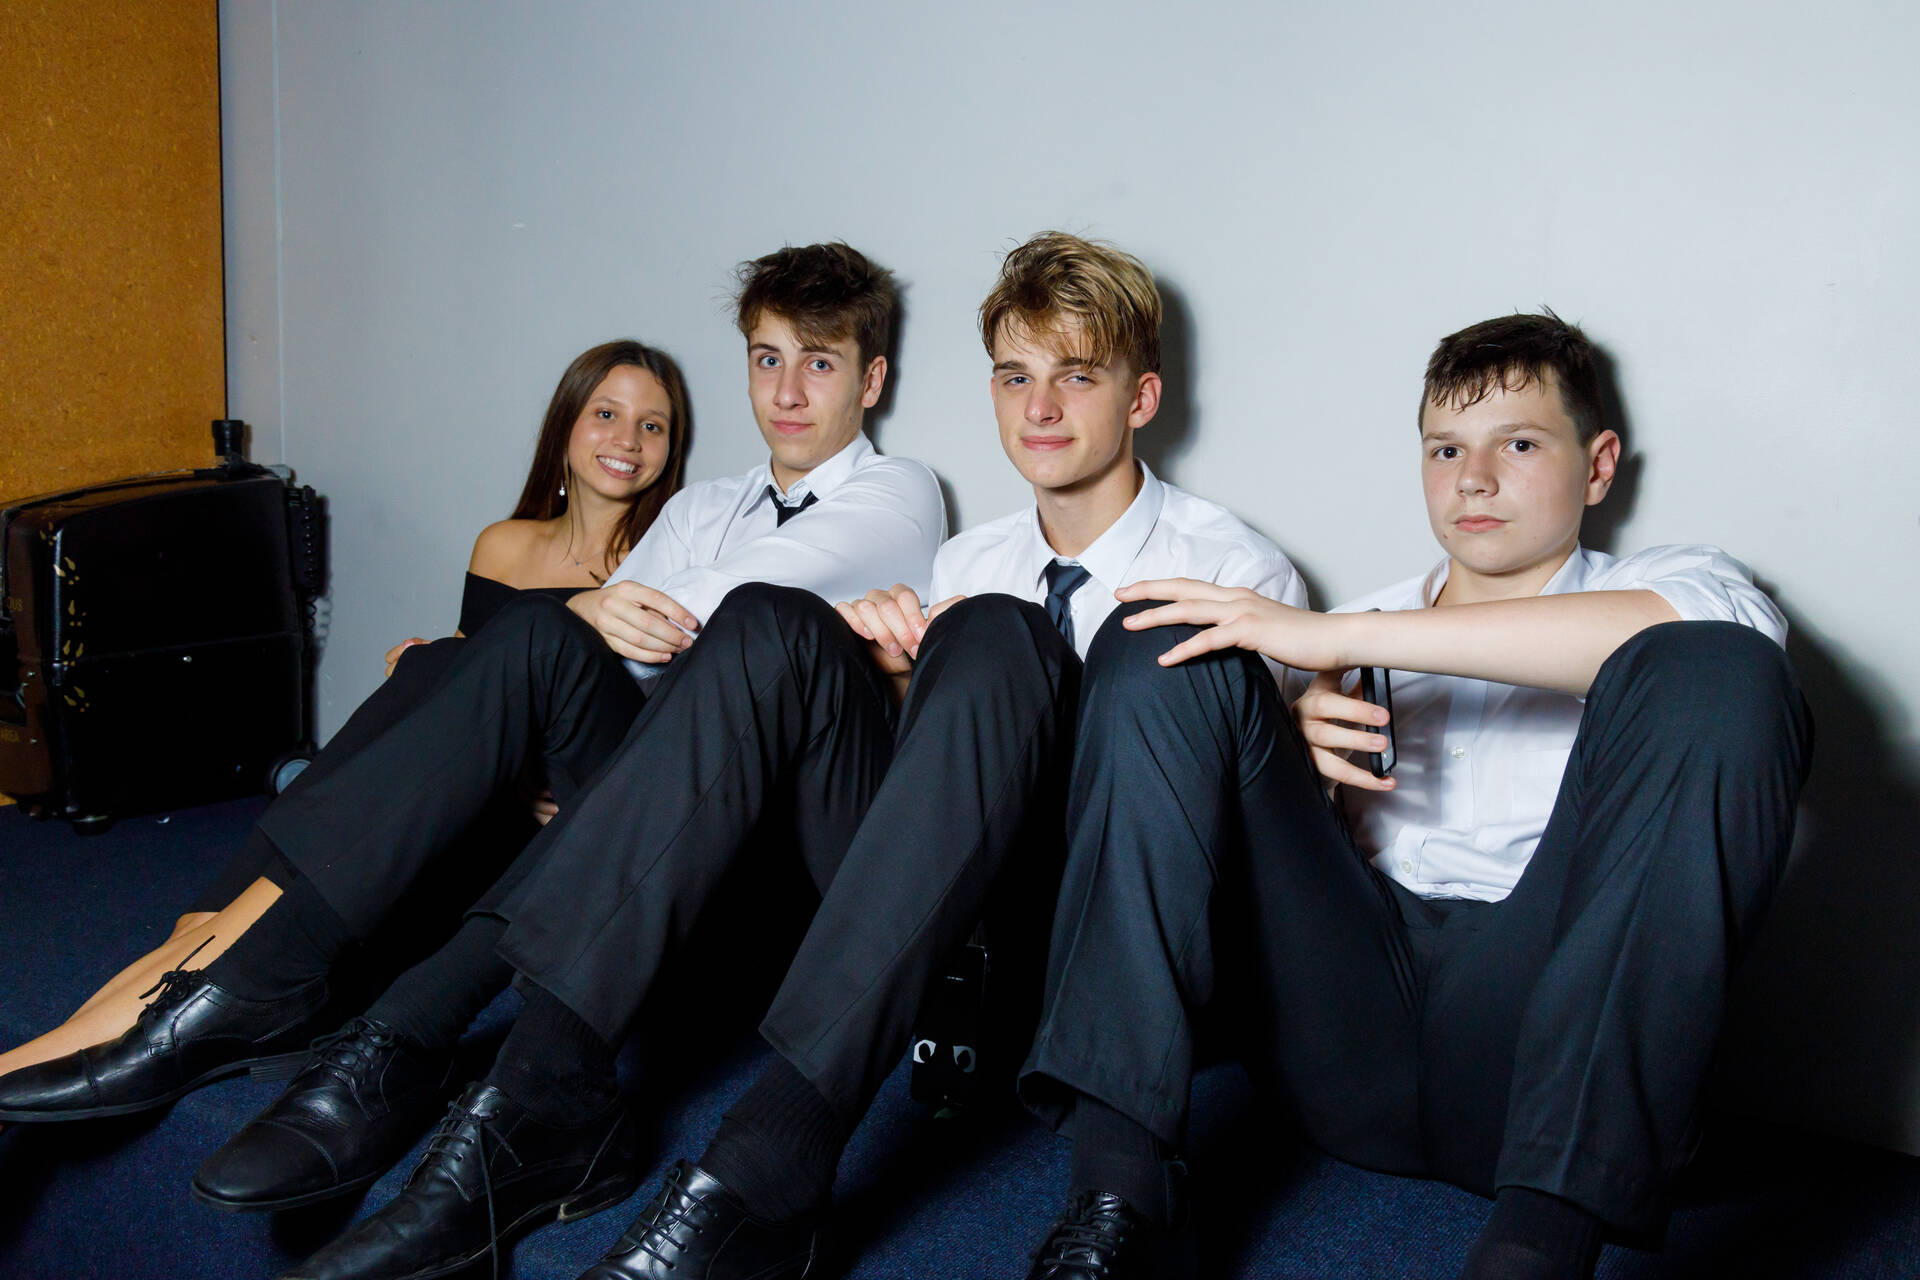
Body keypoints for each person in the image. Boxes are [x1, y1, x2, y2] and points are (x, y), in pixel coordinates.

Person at [283, 231, 1305, 1280]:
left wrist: (1291, 708)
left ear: (1141, 398)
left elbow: (1207, 811)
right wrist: (888, 669)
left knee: (996, 632)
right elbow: (939, 784)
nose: (1039, 408)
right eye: (1015, 377)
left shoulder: (1237, 569)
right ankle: (533, 1082)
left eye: (1076, 377)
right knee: (779, 623)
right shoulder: (967, 559)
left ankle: (762, 1152)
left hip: (1092, 947)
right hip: (945, 924)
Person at [0, 239, 946, 1244]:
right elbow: (607, 651)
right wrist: (549, 641)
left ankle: (307, 986)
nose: (787, 391)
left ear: (870, 380)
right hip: (638, 800)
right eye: (767, 358)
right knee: (512, 639)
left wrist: (570, 625)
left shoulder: (901, 493)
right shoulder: (702, 504)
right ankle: (251, 965)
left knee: (536, 635)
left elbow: (719, 612)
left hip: (756, 856)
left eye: (819, 362)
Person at [1012, 311, 1812, 1279]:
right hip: (1344, 1036)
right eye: (1445, 448)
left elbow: (1710, 662)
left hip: (1542, 1052)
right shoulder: (1345, 627)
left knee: (1720, 670)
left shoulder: (1673, 584)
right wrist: (1288, 753)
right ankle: (1122, 1193)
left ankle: (1535, 1253)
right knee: (1167, 634)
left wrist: (1342, 637)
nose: (1474, 477)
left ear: (1598, 467)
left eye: (1519, 444)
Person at [0, 338, 689, 1095]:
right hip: (466, 786)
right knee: (209, 922)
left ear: (670, 450)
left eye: (653, 426)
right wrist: (440, 666)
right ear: (566, 426)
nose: (628, 439)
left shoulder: (674, 564)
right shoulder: (504, 546)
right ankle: (116, 1025)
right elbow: (481, 690)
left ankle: (94, 1048)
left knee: (419, 687)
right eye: (606, 414)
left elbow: (653, 730)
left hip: (541, 826)